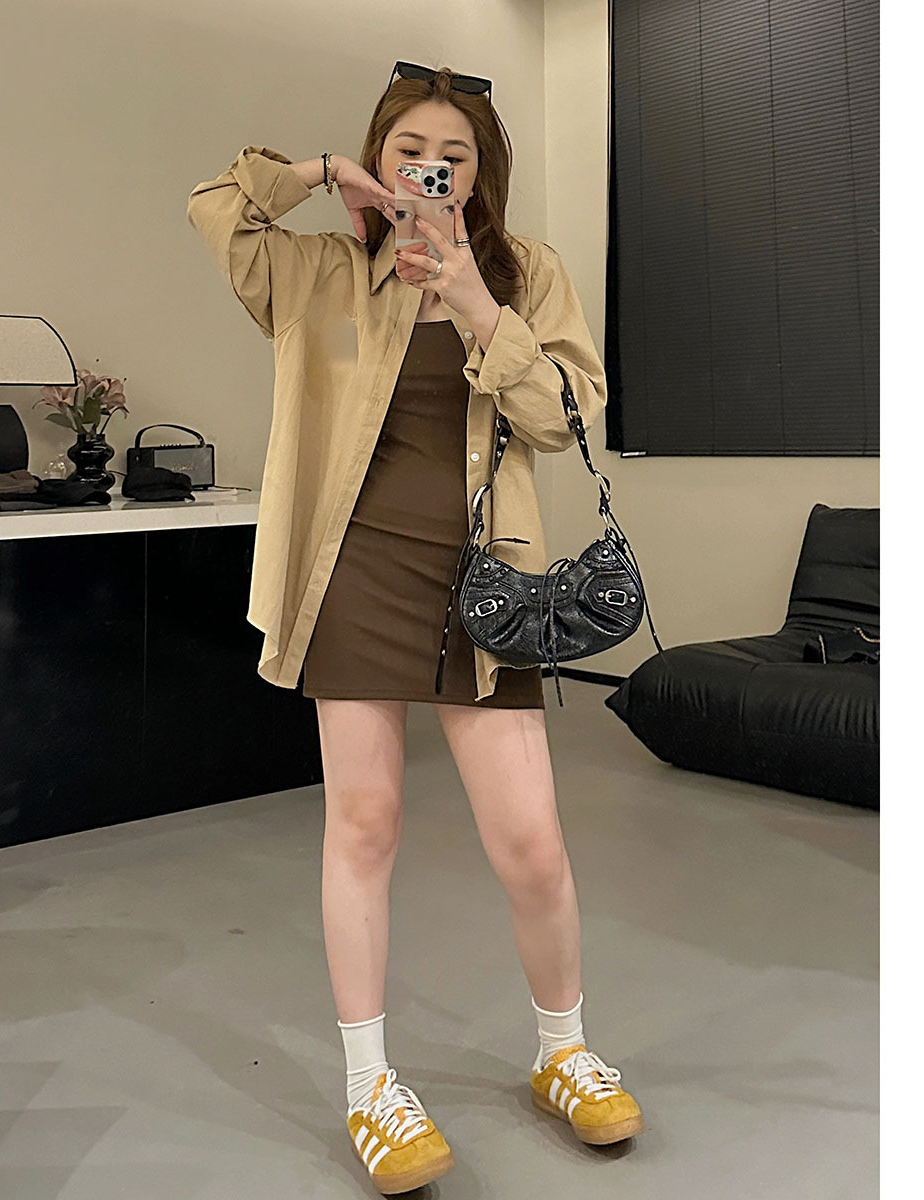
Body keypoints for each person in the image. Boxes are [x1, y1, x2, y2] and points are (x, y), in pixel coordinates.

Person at [187, 61, 642, 1197]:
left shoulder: (527, 271)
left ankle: (563, 1051)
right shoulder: (324, 271)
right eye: (408, 151)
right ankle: (370, 1086)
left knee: (531, 839)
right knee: (365, 824)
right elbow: (216, 209)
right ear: (379, 157)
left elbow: (568, 416)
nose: (431, 169)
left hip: (491, 585)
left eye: (454, 155)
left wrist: (479, 302)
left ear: (480, 173)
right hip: (356, 576)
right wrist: (318, 175)